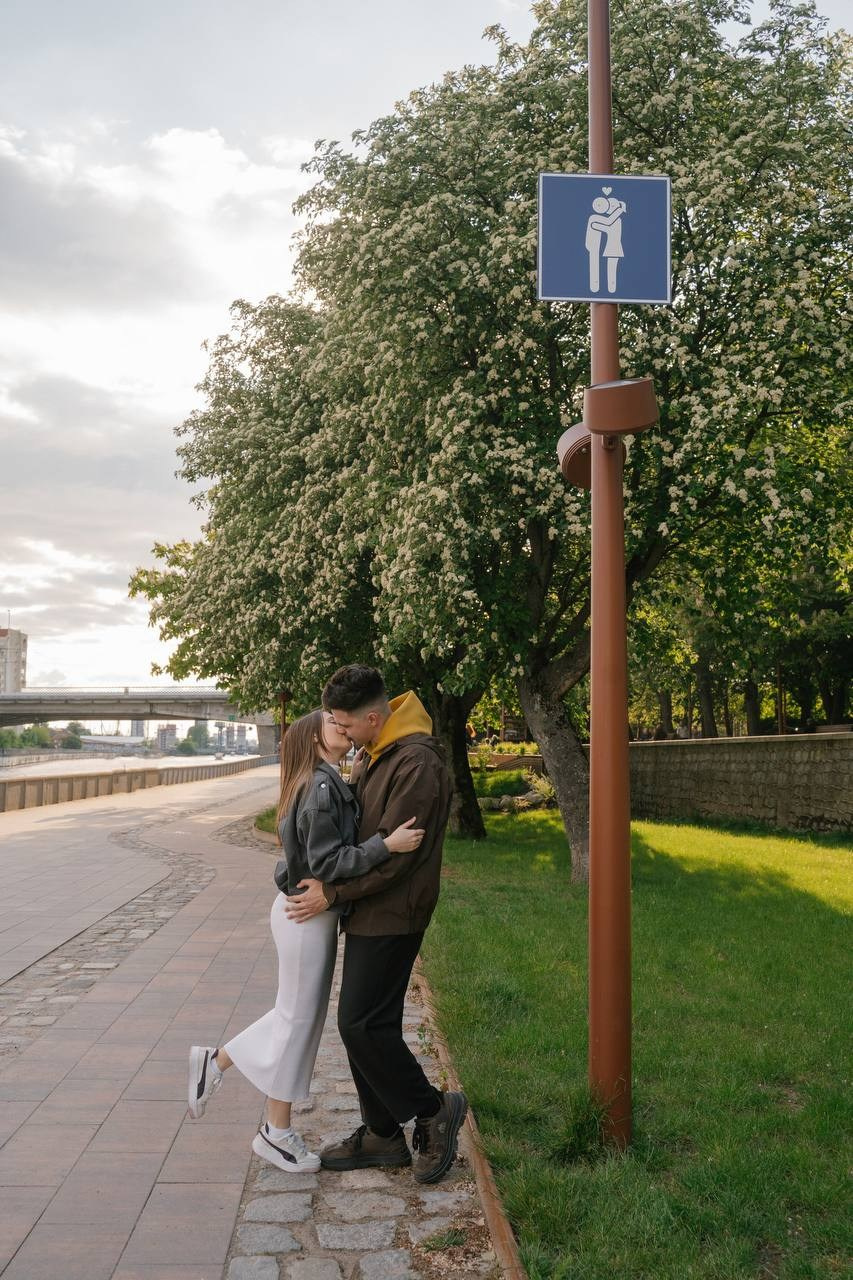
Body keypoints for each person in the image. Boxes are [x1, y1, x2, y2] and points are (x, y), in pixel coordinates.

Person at [186, 707, 424, 1173]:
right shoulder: (318, 787)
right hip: (305, 915)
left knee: (298, 1017)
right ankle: (269, 1125)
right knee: (298, 1019)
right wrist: (385, 846)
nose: (345, 726)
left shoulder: (325, 781)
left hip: (308, 912)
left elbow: (305, 854)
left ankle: (222, 1068)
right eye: (334, 725)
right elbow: (328, 861)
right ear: (316, 741)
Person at [284, 664, 466, 1184]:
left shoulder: (416, 761)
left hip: (394, 910)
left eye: (345, 723)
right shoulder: (382, 752)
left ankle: (432, 1109)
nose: (341, 732)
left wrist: (332, 892)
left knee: (360, 1025)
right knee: (370, 1024)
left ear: (372, 716)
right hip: (372, 909)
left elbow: (397, 858)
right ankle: (382, 1135)